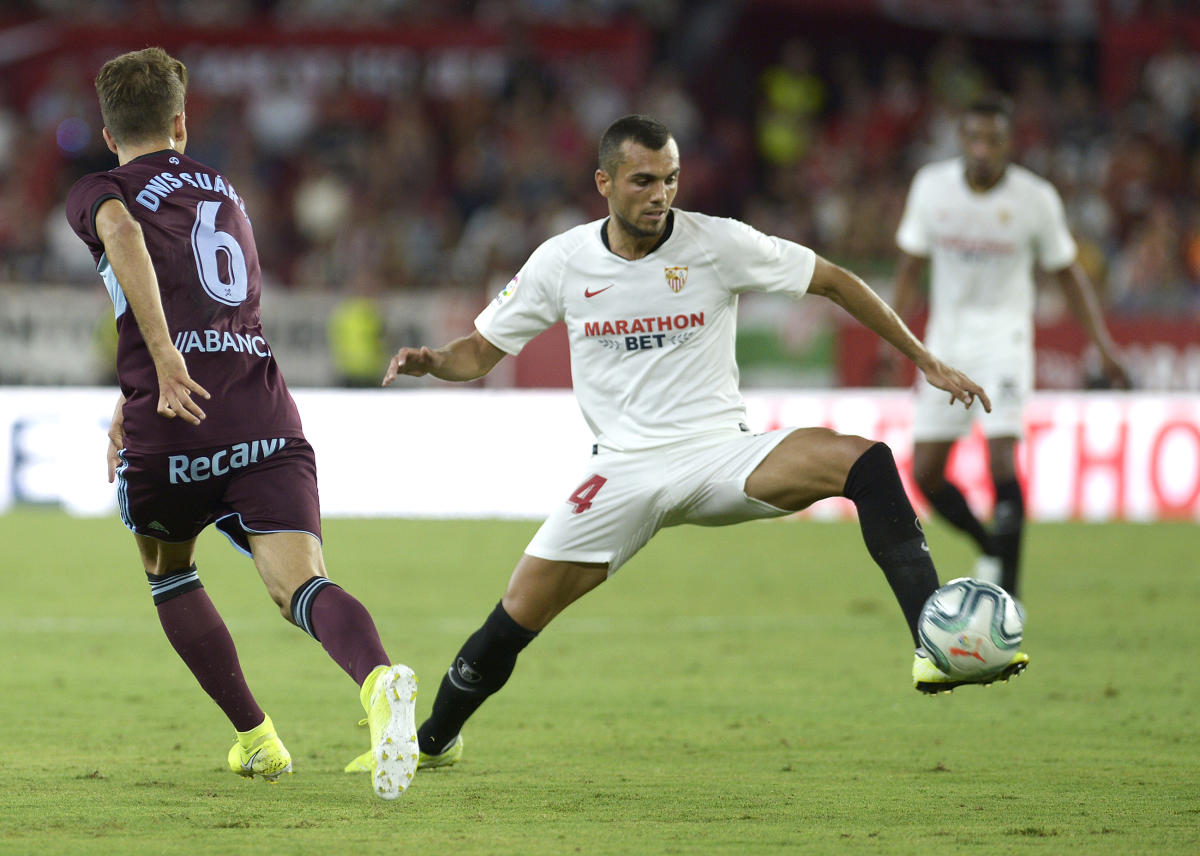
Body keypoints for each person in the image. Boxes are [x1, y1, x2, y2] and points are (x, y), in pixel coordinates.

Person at [360, 114, 1029, 773]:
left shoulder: (718, 244)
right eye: (643, 180)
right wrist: (433, 361)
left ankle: (932, 642)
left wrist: (924, 358)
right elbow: (481, 350)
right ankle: (434, 741)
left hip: (720, 455)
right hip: (622, 470)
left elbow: (833, 279)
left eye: (671, 179)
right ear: (605, 182)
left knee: (867, 461)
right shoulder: (562, 261)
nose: (660, 195)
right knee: (515, 616)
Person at [65, 47, 418, 801]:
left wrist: (157, 364)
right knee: (300, 584)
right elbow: (206, 298)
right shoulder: (223, 189)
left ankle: (258, 741)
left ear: (107, 133)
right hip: (260, 406)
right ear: (181, 123)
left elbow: (124, 238)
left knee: (168, 568)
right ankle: (381, 681)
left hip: (176, 414)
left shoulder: (102, 189)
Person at [888, 93, 1130, 599]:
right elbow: (909, 270)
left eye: (993, 139)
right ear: (961, 140)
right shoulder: (931, 189)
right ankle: (991, 546)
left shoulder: (1034, 198)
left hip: (1005, 338)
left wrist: (1103, 345)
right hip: (944, 342)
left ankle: (1010, 599)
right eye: (973, 137)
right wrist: (897, 343)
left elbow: (1069, 276)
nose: (982, 148)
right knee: (925, 474)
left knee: (1001, 462)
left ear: (1008, 143)